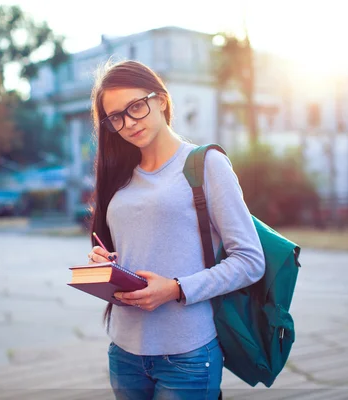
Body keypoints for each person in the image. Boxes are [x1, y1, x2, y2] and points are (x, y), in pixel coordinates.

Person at [86, 60, 266, 400]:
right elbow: (133, 246)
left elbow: (250, 260)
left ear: (161, 100)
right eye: (116, 117)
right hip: (124, 351)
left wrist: (176, 289)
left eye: (136, 106)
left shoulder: (205, 164)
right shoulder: (119, 176)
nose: (129, 123)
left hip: (187, 355)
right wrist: (105, 263)